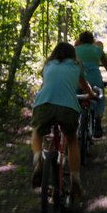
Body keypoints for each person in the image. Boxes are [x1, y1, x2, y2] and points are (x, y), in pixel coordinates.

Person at [30, 42, 96, 201]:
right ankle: (75, 180)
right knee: (72, 140)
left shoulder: (48, 65)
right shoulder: (76, 64)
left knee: (37, 132)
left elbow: (47, 83)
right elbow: (84, 84)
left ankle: (38, 158)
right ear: (72, 54)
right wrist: (91, 94)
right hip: (67, 107)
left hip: (43, 104)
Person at [74, 31, 107, 137]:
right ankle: (98, 121)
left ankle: (74, 117)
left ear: (80, 40)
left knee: (74, 95)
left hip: (77, 81)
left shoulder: (74, 50)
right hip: (95, 80)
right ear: (92, 40)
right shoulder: (97, 50)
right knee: (100, 96)